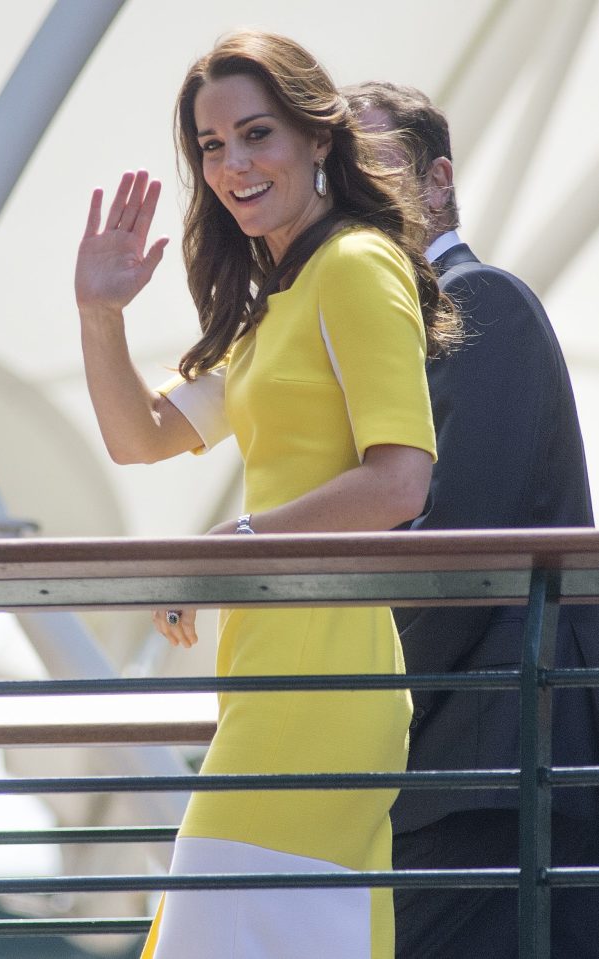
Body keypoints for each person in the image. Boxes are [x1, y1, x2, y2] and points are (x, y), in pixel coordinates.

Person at [74, 33, 462, 959]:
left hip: (330, 685)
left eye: (256, 134)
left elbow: (400, 477)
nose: (233, 165)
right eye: (212, 146)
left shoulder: (358, 264)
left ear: (317, 139)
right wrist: (100, 315)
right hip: (271, 683)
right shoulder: (273, 305)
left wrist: (230, 545)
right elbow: (143, 437)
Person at [345, 81, 599, 959]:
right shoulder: (402, 332)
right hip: (465, 778)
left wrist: (331, 661)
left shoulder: (478, 302)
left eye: (375, 166)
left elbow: (457, 549)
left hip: (496, 779)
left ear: (439, 179)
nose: (358, 197)